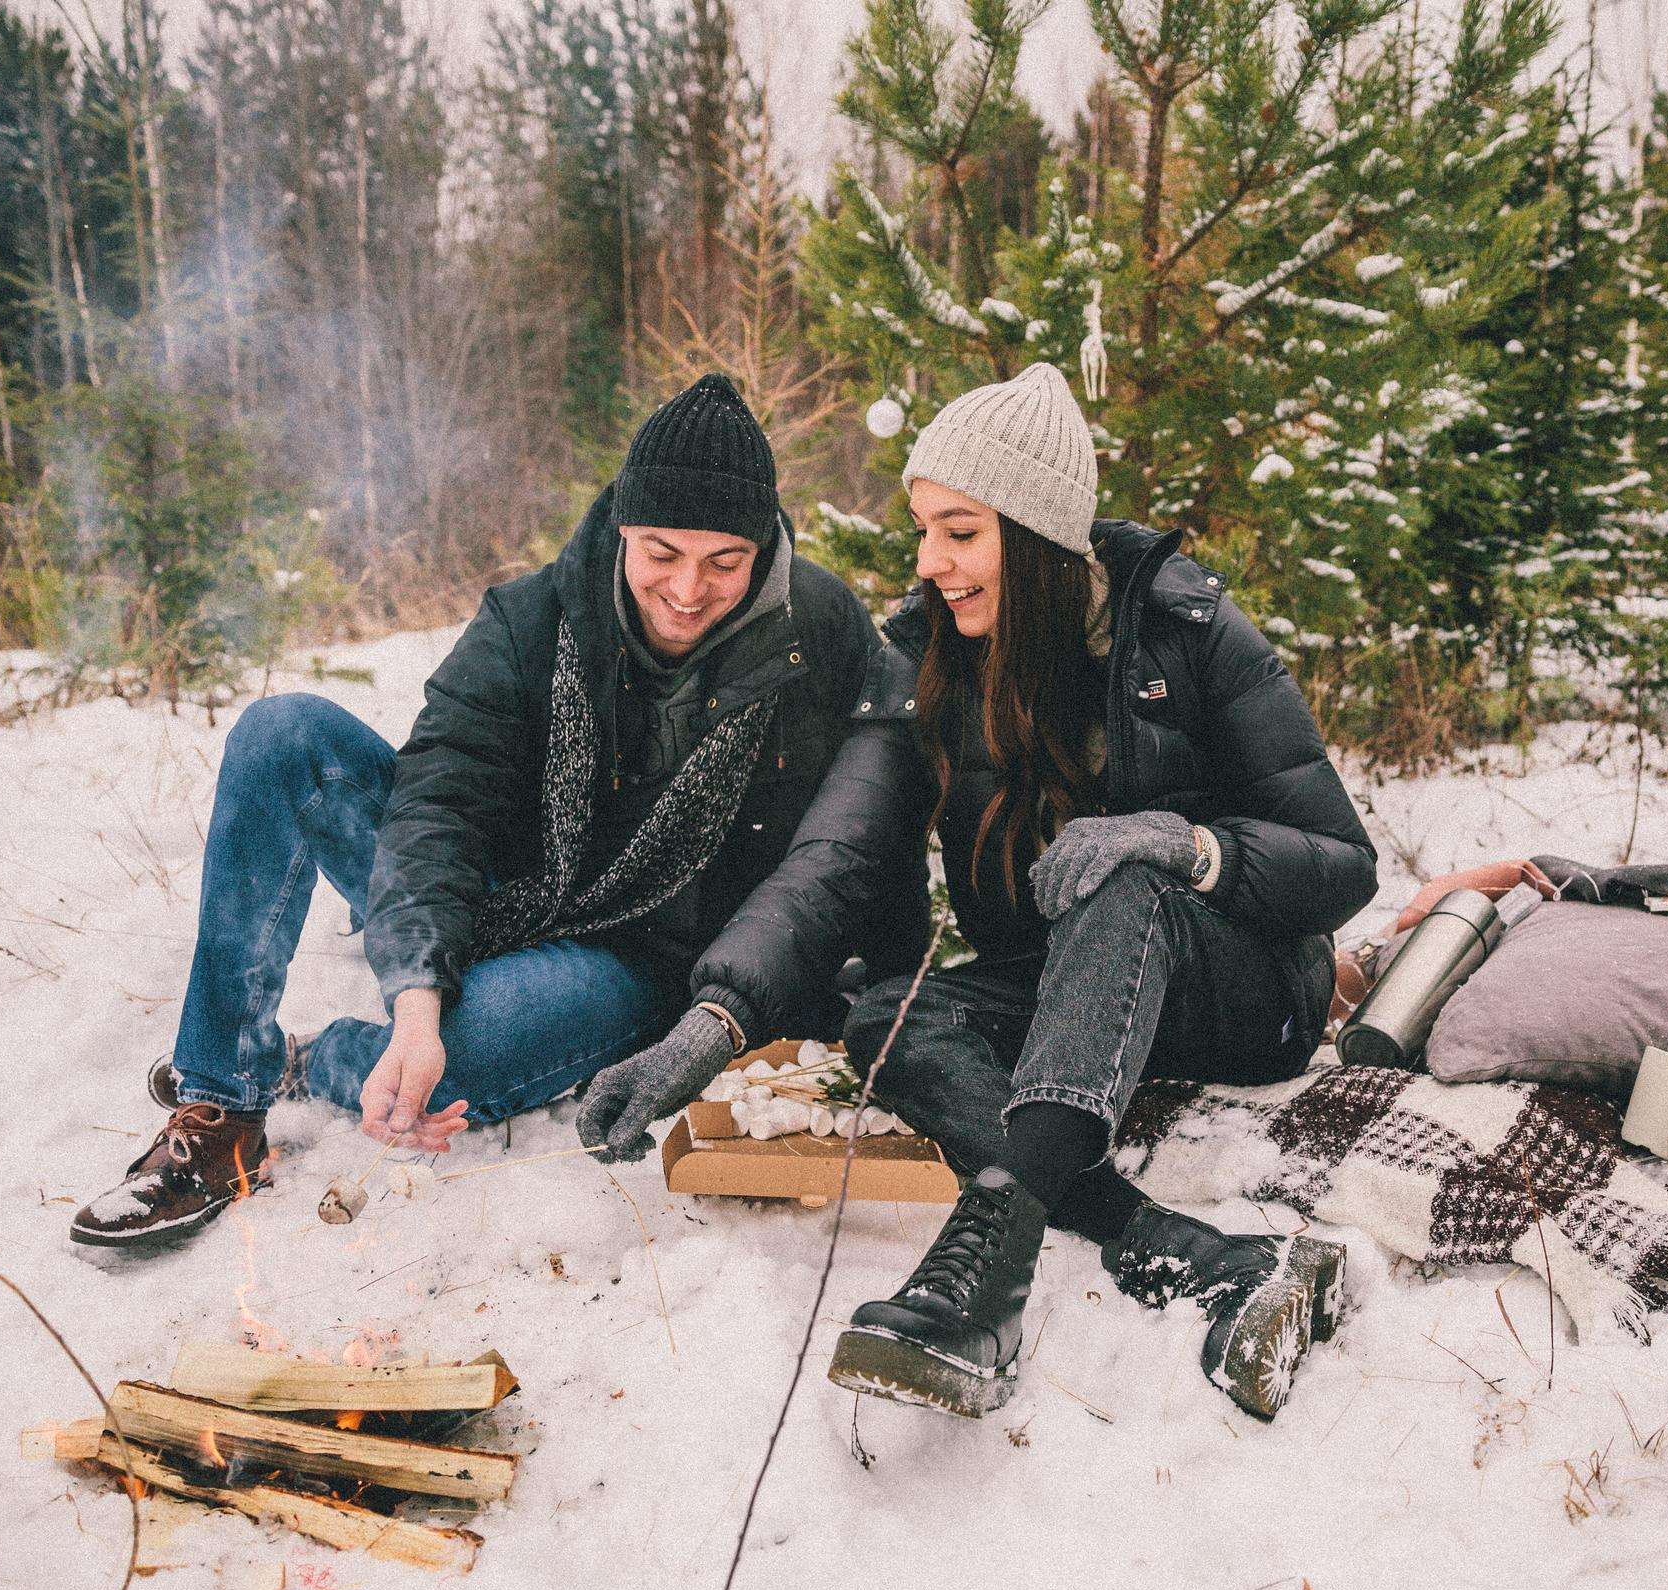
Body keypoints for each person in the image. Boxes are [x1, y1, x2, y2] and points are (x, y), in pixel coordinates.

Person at [578, 364, 1381, 1421]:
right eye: (922, 531)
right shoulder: (924, 658)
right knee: (890, 1018)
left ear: (1038, 536)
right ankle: (1192, 1253)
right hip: (1060, 1001)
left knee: (1120, 874)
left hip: (1236, 999)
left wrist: (1185, 844)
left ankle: (986, 1281)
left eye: (959, 532)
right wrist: (714, 1020)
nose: (929, 563)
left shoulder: (1189, 635)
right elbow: (840, 853)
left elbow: (1339, 861)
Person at [73, 374, 915, 1248]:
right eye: (662, 553)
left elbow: (858, 833)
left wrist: (876, 1012)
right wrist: (416, 1001)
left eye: (724, 562)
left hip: (638, 950)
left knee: (453, 1075)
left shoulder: (820, 635)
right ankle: (223, 1099)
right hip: (495, 880)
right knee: (282, 733)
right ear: (624, 526)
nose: (689, 590)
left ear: (764, 549)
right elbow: (442, 795)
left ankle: (314, 1058)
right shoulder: (532, 617)